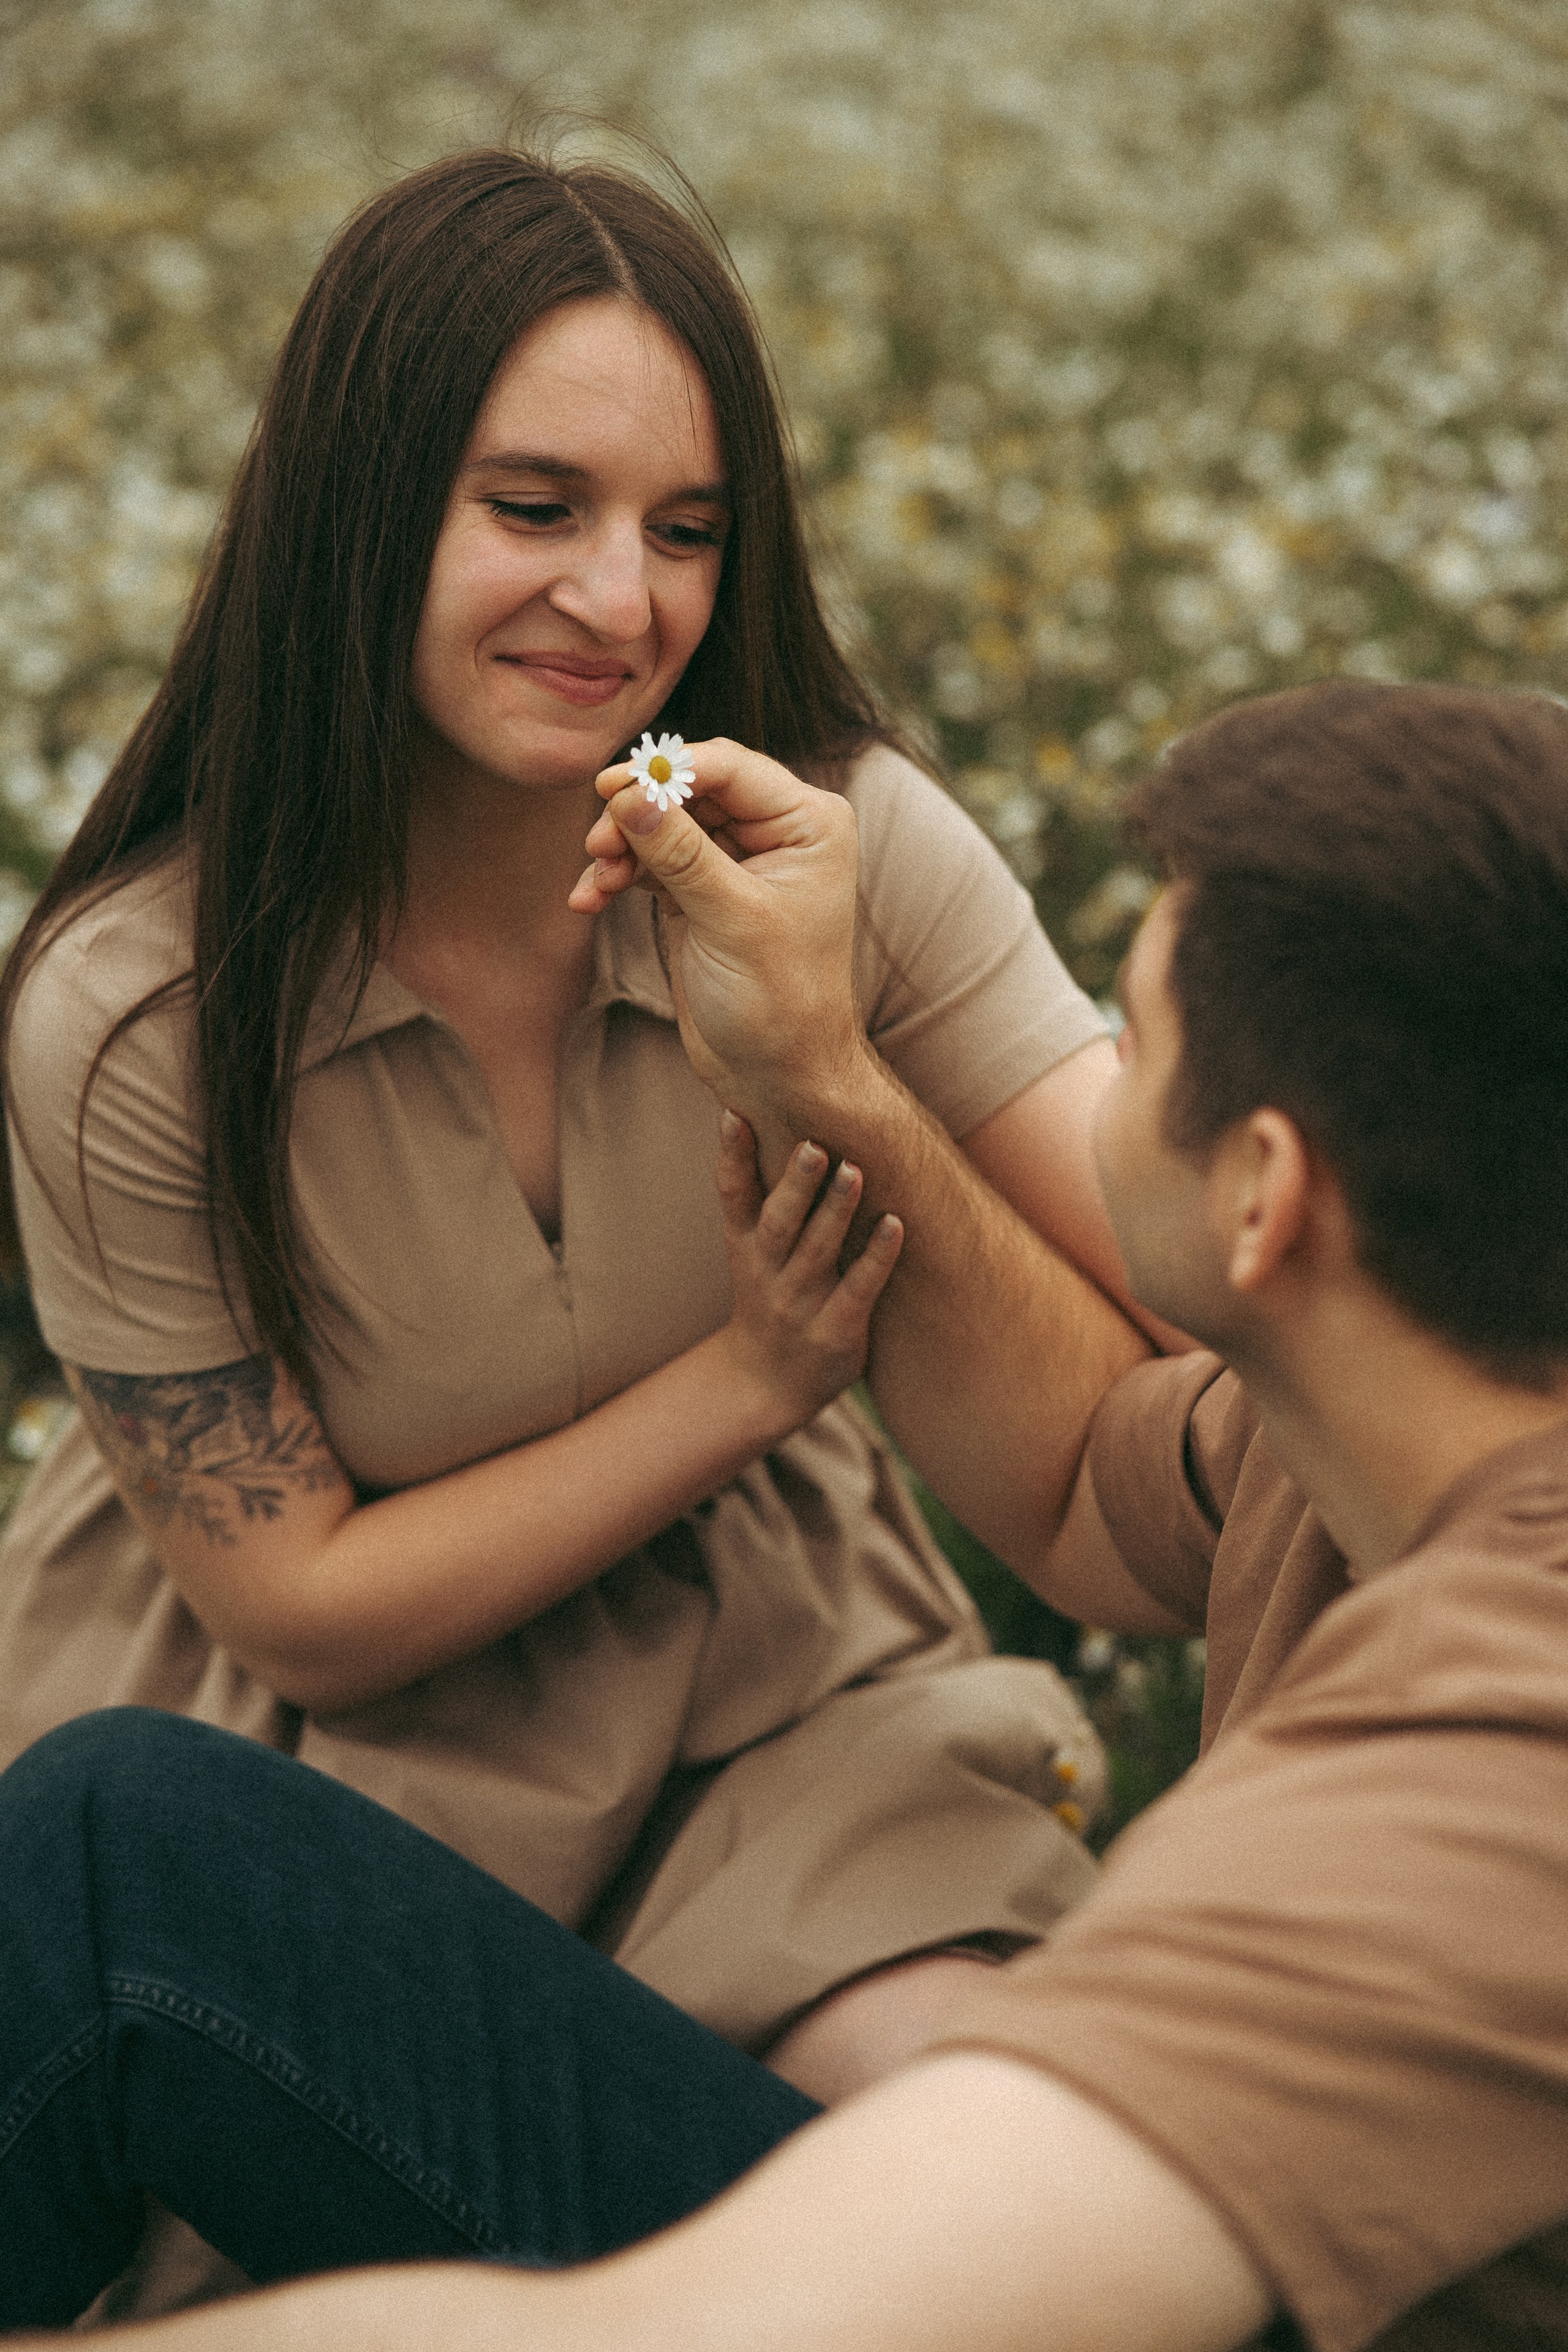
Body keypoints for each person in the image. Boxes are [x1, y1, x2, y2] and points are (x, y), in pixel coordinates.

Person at [4, 674, 1566, 2350]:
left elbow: (737, 2327)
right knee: (131, 1846)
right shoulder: (1354, 1451)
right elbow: (1081, 1484)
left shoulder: (1489, 1760)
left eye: (1137, 1045)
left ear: (1262, 1196)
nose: (1088, 1089)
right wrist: (818, 1063)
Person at [0, 138, 1157, 2225]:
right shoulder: (132, 1014)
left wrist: (832, 1065)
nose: (623, 604)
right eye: (534, 508)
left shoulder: (839, 844)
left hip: (782, 1717)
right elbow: (309, 1611)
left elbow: (1179, 1271)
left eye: (686, 532)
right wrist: (750, 1380)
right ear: (361, 506)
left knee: (1010, 2215)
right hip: (321, 1774)